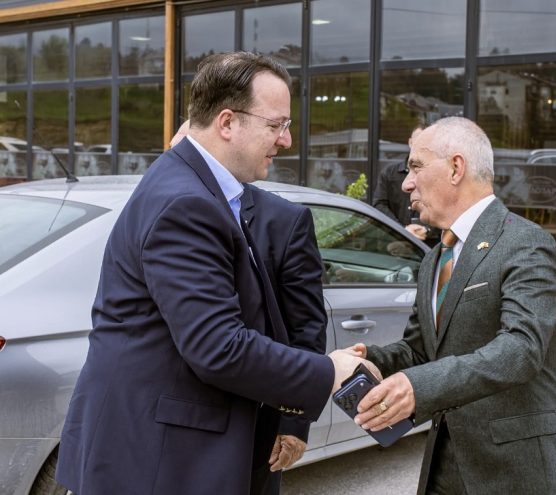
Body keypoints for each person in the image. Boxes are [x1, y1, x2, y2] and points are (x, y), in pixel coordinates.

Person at [55, 51, 369, 495]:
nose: (286, 140)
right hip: (158, 461)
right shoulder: (188, 203)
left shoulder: (200, 187)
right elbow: (218, 346)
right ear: (227, 123)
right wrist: (328, 370)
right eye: (276, 125)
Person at [349, 117, 556, 494]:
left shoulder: (525, 243)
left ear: (456, 168)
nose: (406, 183)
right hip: (446, 464)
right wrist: (371, 360)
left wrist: (417, 387)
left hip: (516, 471)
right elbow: (421, 350)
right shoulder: (434, 258)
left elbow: (522, 349)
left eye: (415, 166)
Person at [172, 119, 329, 493]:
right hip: (173, 423)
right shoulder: (161, 209)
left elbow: (306, 327)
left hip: (254, 427)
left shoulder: (284, 221)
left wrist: (293, 423)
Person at [373, 125, 439, 246]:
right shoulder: (389, 173)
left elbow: (446, 206)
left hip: (428, 246)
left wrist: (428, 230)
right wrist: (401, 229)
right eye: (418, 140)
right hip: (394, 243)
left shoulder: (439, 175)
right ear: (410, 142)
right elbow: (379, 205)